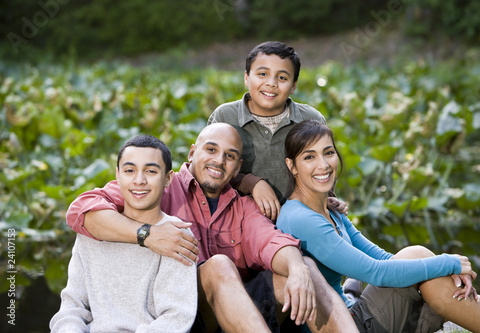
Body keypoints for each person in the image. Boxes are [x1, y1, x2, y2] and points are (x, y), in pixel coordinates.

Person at [64, 123, 359, 333]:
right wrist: (148, 235)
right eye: (211, 150)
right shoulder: (157, 184)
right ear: (193, 152)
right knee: (218, 266)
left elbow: (273, 242)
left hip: (237, 311)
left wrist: (296, 269)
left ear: (237, 166)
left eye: (229, 156)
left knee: (303, 265)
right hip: (181, 312)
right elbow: (81, 210)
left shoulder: (244, 207)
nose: (219, 160)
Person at [277, 119, 480, 333]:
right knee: (419, 257)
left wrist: (443, 267)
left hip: (356, 313)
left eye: (328, 152)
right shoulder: (300, 218)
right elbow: (376, 272)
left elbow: (384, 259)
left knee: (419, 263)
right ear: (292, 166)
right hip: (346, 325)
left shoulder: (329, 210)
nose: (323, 165)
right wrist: (448, 262)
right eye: (309, 157)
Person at [50, 135, 197, 332]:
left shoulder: (176, 235)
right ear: (118, 175)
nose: (139, 180)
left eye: (151, 171)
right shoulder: (93, 230)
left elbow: (175, 318)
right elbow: (72, 308)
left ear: (168, 178)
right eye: (130, 170)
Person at [208, 41, 347, 221]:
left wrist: (327, 199)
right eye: (262, 74)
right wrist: (251, 183)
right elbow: (207, 170)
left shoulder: (311, 119)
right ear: (246, 77)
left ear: (294, 85)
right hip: (238, 223)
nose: (271, 83)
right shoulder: (225, 116)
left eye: (282, 78)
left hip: (298, 222)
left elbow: (322, 166)